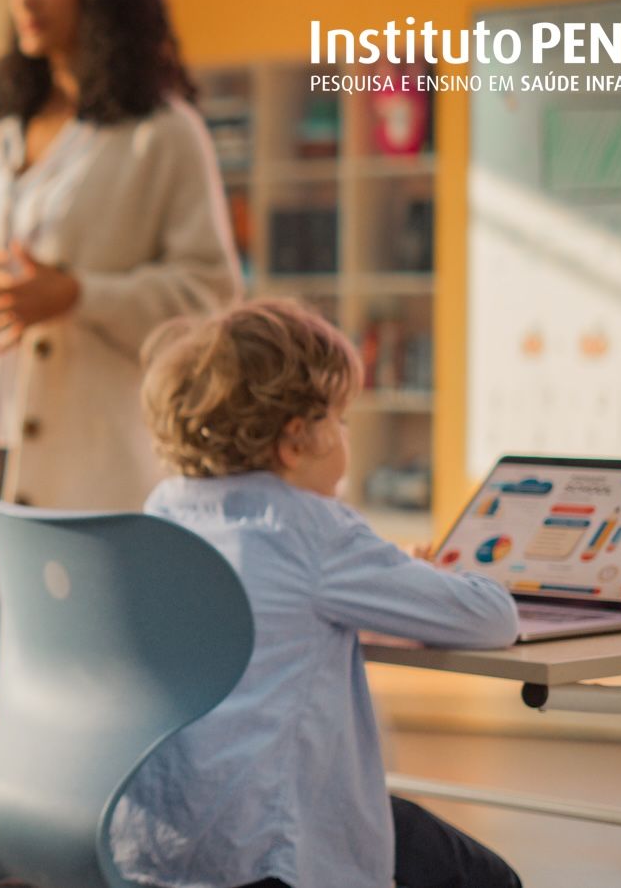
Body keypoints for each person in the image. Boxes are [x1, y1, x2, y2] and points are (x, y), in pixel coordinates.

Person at [113, 299, 521, 888]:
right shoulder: (313, 532)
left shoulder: (163, 513)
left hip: (159, 844)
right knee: (490, 880)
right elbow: (492, 620)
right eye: (342, 418)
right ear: (297, 439)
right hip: (269, 851)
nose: (346, 434)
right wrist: (453, 577)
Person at [0, 0, 240, 532]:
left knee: (80, 629)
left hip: (93, 464)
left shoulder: (163, 134)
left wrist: (76, 296)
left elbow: (210, 298)